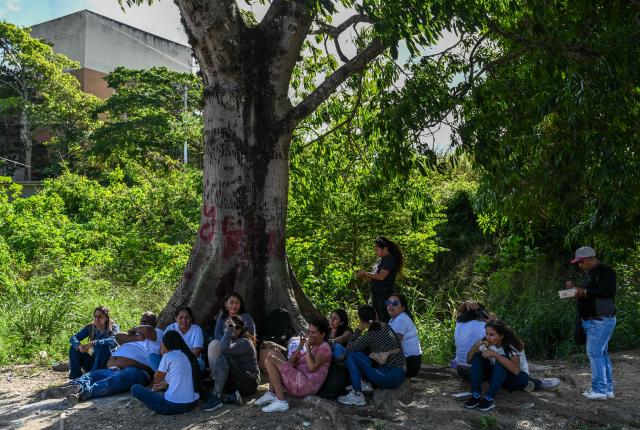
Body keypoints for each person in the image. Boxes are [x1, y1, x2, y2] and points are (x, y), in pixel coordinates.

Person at [43, 312, 162, 405]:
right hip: (111, 367)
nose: (143, 323)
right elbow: (118, 337)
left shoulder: (158, 333)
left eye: (146, 321)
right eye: (141, 320)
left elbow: (146, 330)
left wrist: (136, 329)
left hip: (137, 371)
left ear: (155, 323)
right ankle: (72, 387)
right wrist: (135, 337)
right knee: (92, 375)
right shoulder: (134, 335)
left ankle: (83, 393)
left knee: (116, 380)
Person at [453, 301, 560, 391]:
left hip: (461, 370)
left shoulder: (459, 322)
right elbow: (505, 336)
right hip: (476, 370)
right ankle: (537, 383)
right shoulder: (483, 327)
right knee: (503, 367)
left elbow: (460, 310)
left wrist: (466, 302)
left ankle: (527, 382)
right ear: (482, 315)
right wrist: (496, 321)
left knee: (495, 361)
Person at [567, 246, 617, 400]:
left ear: (589, 259)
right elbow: (586, 293)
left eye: (580, 262)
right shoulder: (589, 274)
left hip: (600, 320)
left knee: (595, 353)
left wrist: (585, 292)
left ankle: (599, 390)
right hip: (593, 320)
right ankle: (607, 389)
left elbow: (608, 291)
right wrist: (574, 290)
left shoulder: (606, 272)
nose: (579, 266)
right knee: (601, 353)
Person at [255, 318, 332, 413]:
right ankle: (270, 393)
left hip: (305, 385)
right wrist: (301, 346)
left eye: (313, 332)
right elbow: (291, 362)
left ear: (322, 334)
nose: (309, 335)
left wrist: (307, 346)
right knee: (273, 353)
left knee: (270, 359)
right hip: (298, 376)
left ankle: (280, 400)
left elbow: (312, 368)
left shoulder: (324, 348)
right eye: (309, 331)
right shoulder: (314, 345)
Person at [338, 305, 406, 406]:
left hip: (391, 377)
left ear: (362, 321)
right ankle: (364, 383)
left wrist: (359, 330)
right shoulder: (385, 326)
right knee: (359, 353)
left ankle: (357, 394)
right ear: (375, 315)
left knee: (352, 354)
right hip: (399, 372)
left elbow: (349, 349)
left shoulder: (369, 336)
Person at [463, 320, 530, 412]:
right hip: (498, 376)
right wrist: (474, 348)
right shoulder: (485, 342)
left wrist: (496, 355)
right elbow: (469, 361)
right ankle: (476, 395)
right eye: (486, 334)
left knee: (501, 359)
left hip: (518, 379)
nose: (488, 337)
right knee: (478, 355)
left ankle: (489, 398)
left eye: (492, 334)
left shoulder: (511, 345)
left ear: (501, 336)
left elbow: (516, 370)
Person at [130, 330, 202, 415]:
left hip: (173, 406)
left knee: (135, 388)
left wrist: (163, 355)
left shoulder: (168, 356)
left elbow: (157, 379)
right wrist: (165, 383)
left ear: (165, 344)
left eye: (161, 346)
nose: (160, 349)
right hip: (192, 403)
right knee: (163, 394)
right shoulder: (189, 355)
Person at [202, 315, 260, 411]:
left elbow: (224, 350)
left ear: (239, 330)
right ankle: (230, 397)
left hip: (249, 382)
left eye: (232, 327)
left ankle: (217, 397)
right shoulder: (229, 340)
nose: (228, 330)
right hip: (235, 381)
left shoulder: (245, 342)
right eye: (226, 327)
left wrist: (229, 331)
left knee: (223, 357)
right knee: (203, 385)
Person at [208, 293, 256, 378]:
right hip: (225, 344)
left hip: (241, 347)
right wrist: (228, 338)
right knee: (214, 344)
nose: (234, 305)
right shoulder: (222, 318)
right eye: (231, 302)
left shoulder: (246, 317)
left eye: (237, 303)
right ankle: (215, 376)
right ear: (226, 304)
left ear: (240, 305)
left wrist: (234, 339)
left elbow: (251, 336)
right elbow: (216, 335)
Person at [357, 237, 403, 323]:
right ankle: (378, 335)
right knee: (377, 317)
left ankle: (385, 335)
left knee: (384, 318)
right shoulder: (382, 260)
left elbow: (381, 276)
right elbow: (376, 276)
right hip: (377, 294)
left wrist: (365, 273)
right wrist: (366, 276)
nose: (376, 252)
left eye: (377, 249)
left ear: (385, 248)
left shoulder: (390, 259)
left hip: (385, 295)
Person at [68, 306, 119, 379]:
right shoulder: (90, 327)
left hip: (108, 363)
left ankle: (91, 378)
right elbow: (73, 338)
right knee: (74, 348)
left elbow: (113, 341)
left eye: (100, 317)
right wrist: (79, 346)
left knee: (102, 346)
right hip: (94, 362)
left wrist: (93, 343)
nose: (97, 319)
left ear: (106, 318)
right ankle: (75, 377)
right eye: (95, 316)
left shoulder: (113, 327)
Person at [150, 307, 205, 372]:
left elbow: (196, 352)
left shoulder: (196, 329)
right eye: (181, 317)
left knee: (200, 363)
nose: (184, 320)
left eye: (187, 318)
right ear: (176, 318)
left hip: (190, 361)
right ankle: (168, 378)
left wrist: (179, 361)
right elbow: (163, 349)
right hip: (171, 361)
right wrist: (173, 361)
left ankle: (170, 376)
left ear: (191, 319)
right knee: (152, 357)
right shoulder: (171, 328)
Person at [386, 293, 422, 378]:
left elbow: (395, 343)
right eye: (388, 303)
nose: (390, 306)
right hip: (409, 361)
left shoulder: (401, 319)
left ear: (403, 308)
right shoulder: (393, 319)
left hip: (410, 363)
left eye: (395, 304)